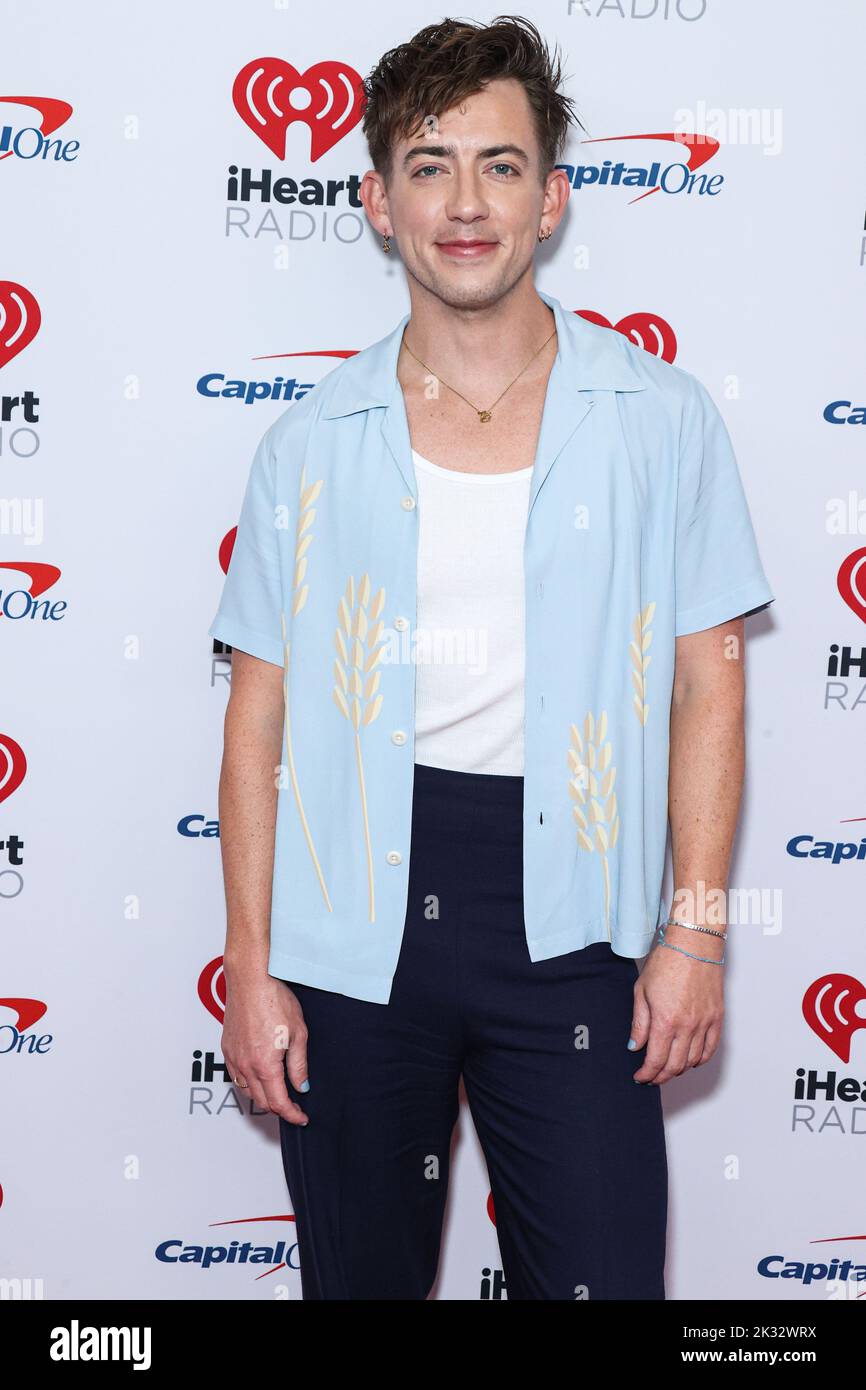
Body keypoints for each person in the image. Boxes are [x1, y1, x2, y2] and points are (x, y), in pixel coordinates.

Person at [208, 15, 774, 1300]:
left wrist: (693, 935)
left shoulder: (659, 420)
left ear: (554, 196)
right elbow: (257, 724)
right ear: (375, 201)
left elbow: (708, 682)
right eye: (428, 164)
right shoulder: (308, 444)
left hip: (573, 918)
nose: (465, 204)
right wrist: (248, 961)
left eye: (500, 166)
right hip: (356, 926)